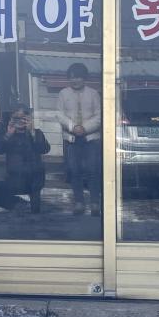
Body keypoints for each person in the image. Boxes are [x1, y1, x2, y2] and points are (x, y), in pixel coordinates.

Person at [0, 104, 50, 215]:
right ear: (10, 119)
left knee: (36, 213)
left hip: (34, 180)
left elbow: (45, 149)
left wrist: (31, 132)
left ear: (28, 119)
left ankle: (30, 208)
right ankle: (18, 204)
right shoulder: (6, 134)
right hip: (14, 179)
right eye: (16, 118)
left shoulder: (36, 133)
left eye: (23, 118)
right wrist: (8, 134)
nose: (20, 121)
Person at [56, 62, 102, 215]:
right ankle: (79, 203)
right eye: (72, 78)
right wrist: (73, 127)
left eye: (78, 77)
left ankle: (95, 203)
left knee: (93, 171)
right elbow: (60, 114)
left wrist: (85, 128)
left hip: (91, 138)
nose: (75, 80)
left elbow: (99, 116)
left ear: (84, 78)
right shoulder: (63, 94)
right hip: (71, 138)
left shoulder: (93, 93)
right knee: (74, 171)